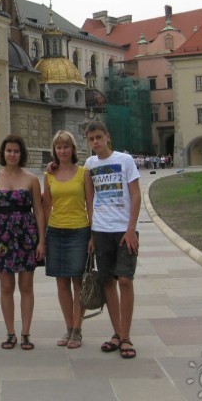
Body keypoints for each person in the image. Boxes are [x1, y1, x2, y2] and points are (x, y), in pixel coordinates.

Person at [84, 120, 141, 359]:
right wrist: (91, 234)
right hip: (101, 229)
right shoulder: (89, 164)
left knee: (125, 280)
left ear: (107, 136)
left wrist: (131, 229)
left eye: (99, 137)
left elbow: (136, 196)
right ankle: (117, 334)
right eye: (91, 139)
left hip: (123, 230)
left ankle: (126, 336)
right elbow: (89, 200)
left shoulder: (125, 160)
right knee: (108, 281)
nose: (96, 142)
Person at [0, 135, 45, 350]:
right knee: (6, 286)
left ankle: (26, 332)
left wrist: (41, 242)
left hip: (26, 234)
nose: (12, 154)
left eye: (16, 151)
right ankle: (10, 333)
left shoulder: (31, 179)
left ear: (22, 154)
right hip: (2, 236)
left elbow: (38, 211)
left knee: (26, 286)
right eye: (9, 150)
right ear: (3, 153)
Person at [43, 130, 94, 349]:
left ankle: (77, 330)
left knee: (77, 283)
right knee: (61, 282)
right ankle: (68, 327)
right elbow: (46, 206)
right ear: (54, 151)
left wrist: (92, 234)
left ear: (73, 149)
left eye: (66, 147)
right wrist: (42, 236)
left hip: (79, 231)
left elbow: (91, 204)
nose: (62, 151)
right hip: (55, 231)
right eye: (58, 147)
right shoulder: (49, 175)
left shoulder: (84, 173)